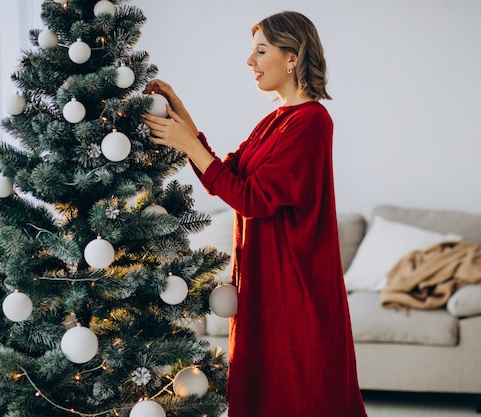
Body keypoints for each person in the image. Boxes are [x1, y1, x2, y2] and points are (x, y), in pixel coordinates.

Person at [142, 11, 368, 417]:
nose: (251, 62)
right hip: (266, 286)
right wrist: (183, 119)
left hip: (293, 292)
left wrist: (186, 142)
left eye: (261, 51)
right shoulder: (275, 121)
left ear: (292, 57)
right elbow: (225, 175)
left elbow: (253, 199)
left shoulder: (312, 122)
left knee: (300, 397)